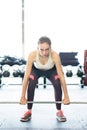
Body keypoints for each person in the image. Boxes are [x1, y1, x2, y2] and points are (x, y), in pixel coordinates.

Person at [20, 36, 70, 122]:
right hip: (36, 71)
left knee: (57, 82)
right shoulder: (32, 55)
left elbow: (61, 76)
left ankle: (59, 111)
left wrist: (66, 96)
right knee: (31, 82)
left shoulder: (55, 55)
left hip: (51, 71)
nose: (44, 52)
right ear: (37, 48)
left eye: (47, 49)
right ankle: (28, 111)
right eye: (41, 49)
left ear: (50, 48)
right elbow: (26, 76)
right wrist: (22, 96)